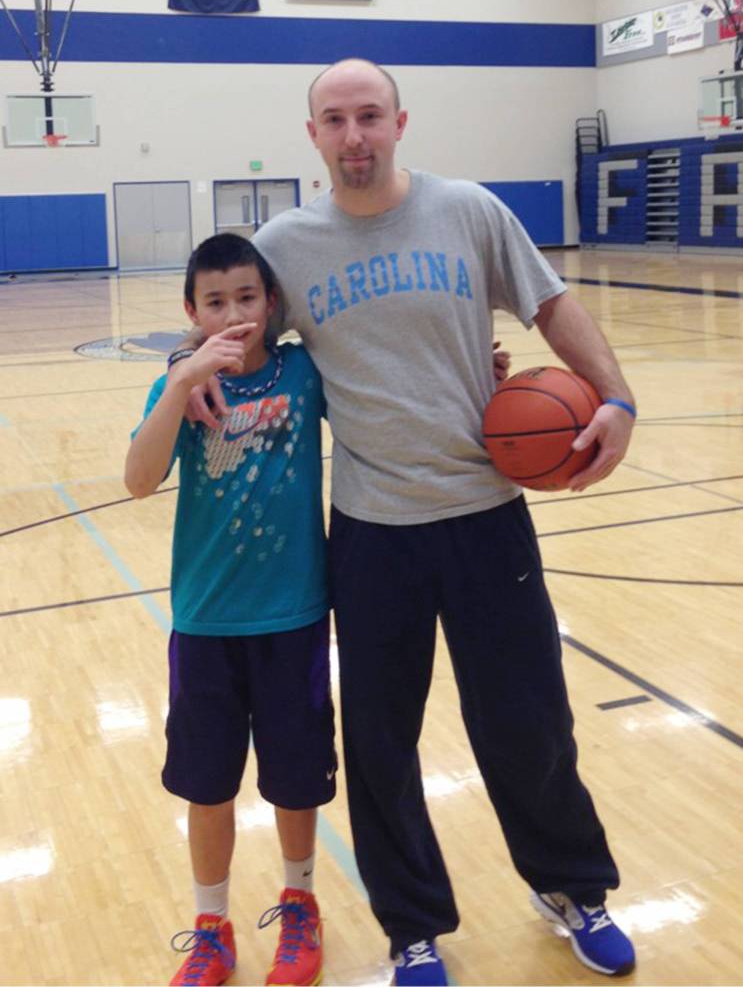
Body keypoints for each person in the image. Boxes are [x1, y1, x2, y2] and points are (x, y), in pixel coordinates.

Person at [176, 59, 638, 985]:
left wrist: (618, 397)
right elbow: (237, 326)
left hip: (486, 515)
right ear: (311, 133)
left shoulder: (468, 211)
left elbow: (551, 305)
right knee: (381, 742)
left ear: (400, 121)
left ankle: (571, 886)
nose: (355, 135)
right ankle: (412, 926)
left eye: (370, 116)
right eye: (335, 119)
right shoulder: (285, 245)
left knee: (528, 721)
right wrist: (197, 371)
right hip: (372, 529)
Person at [125, 233, 335, 987]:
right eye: (215, 301)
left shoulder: (303, 374)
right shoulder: (180, 389)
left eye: (247, 297)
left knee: (295, 779)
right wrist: (180, 383)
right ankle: (210, 924)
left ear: (270, 303)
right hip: (207, 622)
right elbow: (137, 479)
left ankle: (300, 903)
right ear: (192, 310)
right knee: (207, 786)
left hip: (294, 617)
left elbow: (383, 402)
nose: (234, 313)